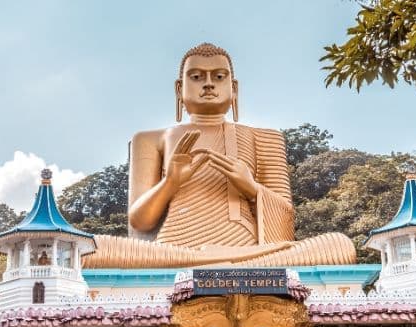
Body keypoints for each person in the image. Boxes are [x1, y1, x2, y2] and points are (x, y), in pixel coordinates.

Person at [82, 43, 355, 268]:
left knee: (340, 246)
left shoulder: (266, 138)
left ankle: (219, 264)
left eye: (219, 77)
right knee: (90, 252)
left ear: (234, 88)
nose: (209, 84)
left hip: (251, 251)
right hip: (173, 251)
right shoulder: (151, 139)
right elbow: (140, 222)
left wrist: (251, 188)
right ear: (180, 88)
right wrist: (170, 183)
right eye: (197, 76)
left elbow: (284, 220)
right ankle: (222, 265)